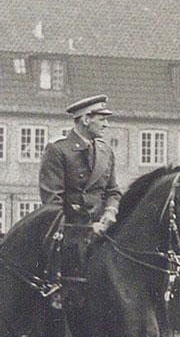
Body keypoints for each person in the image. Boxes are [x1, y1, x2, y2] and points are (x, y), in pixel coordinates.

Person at [38, 94, 121, 234]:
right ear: (86, 119)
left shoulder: (106, 151)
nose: (106, 124)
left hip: (102, 230)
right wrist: (85, 229)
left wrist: (110, 211)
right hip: (70, 233)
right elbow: (52, 202)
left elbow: (113, 191)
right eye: (102, 119)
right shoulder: (58, 149)